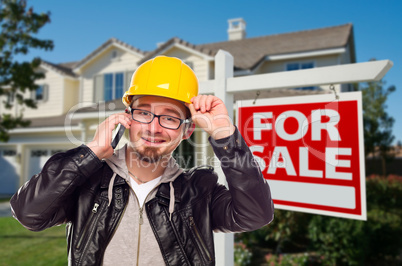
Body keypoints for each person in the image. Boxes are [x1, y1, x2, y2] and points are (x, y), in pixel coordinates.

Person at [10, 56, 274, 265]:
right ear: (128, 117)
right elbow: (28, 213)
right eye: (143, 113)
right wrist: (89, 153)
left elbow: (255, 214)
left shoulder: (198, 192)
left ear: (187, 130)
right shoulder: (88, 181)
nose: (153, 128)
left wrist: (225, 136)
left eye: (169, 117)